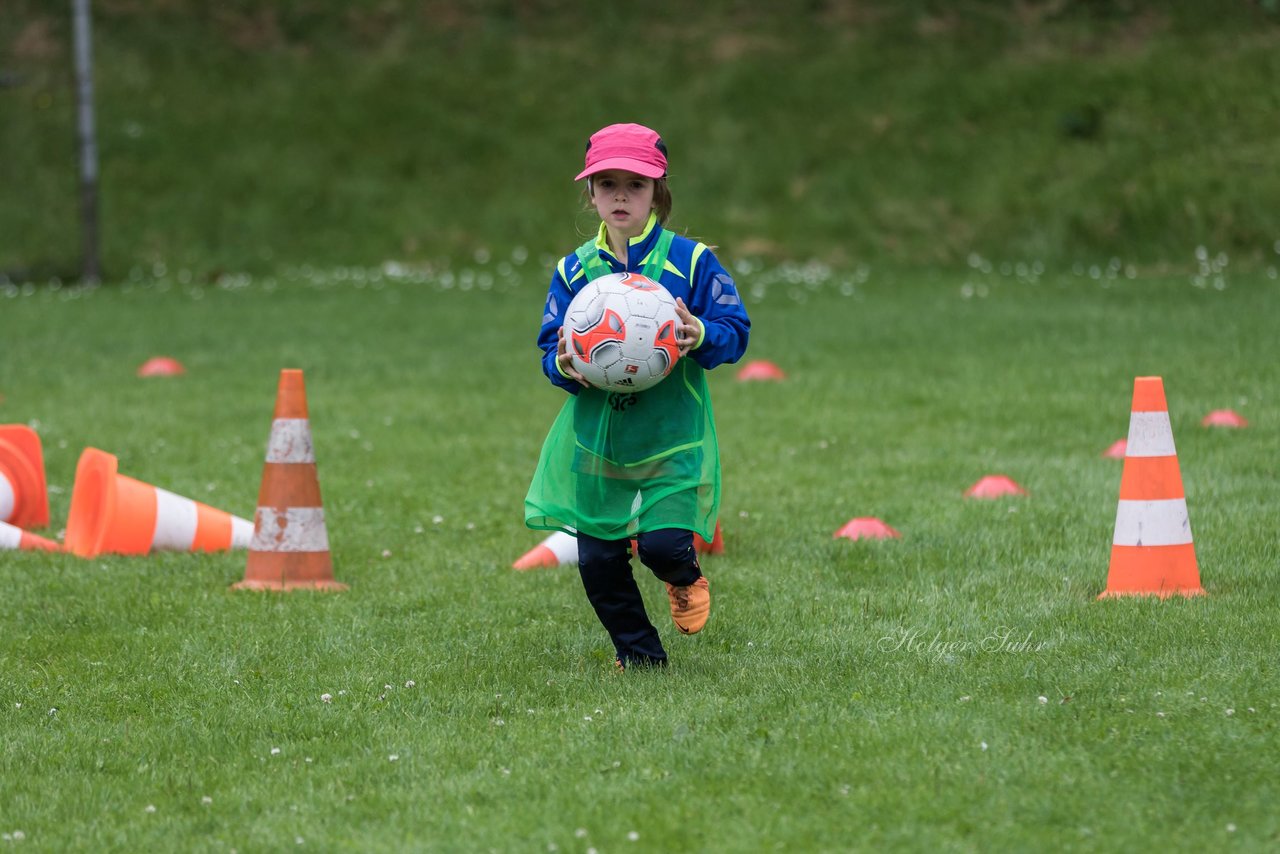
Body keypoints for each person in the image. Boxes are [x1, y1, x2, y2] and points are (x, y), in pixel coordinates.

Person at [524, 122, 751, 670]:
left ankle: (683, 577)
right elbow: (548, 349)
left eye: (636, 184)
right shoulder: (574, 270)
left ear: (659, 192)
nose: (620, 195)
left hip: (671, 436)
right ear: (591, 193)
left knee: (664, 546)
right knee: (599, 559)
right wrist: (564, 362)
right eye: (607, 184)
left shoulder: (692, 263)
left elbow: (735, 330)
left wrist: (702, 334)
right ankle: (641, 656)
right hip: (599, 438)